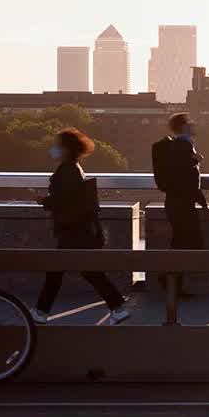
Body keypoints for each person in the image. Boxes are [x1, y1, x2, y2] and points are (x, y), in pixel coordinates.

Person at [32, 128, 131, 325]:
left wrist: (44, 200)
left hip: (74, 231)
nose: (54, 149)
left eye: (57, 145)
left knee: (59, 271)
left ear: (66, 149)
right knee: (88, 272)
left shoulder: (68, 170)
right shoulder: (74, 167)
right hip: (80, 231)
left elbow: (64, 200)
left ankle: (41, 311)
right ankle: (117, 308)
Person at [150, 113, 207, 297]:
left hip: (176, 203)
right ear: (183, 127)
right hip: (182, 204)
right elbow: (186, 178)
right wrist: (204, 203)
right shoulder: (183, 146)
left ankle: (174, 285)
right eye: (190, 122)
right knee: (190, 244)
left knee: (181, 244)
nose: (194, 124)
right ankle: (169, 278)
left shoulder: (180, 145)